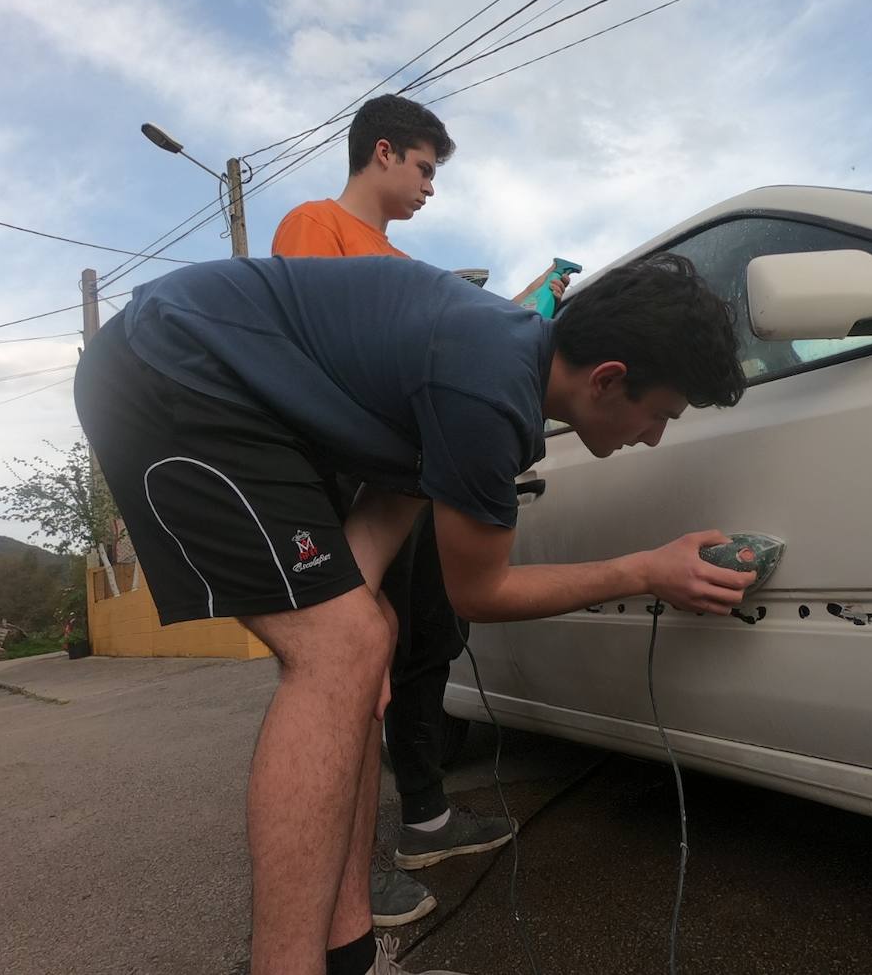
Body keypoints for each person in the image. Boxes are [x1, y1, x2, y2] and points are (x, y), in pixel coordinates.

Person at [74, 251, 755, 975]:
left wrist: (356, 638)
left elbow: (393, 495)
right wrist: (644, 569)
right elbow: (480, 593)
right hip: (170, 369)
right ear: (609, 377)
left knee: (364, 640)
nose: (652, 437)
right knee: (341, 647)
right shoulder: (489, 384)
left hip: (217, 381)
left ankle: (352, 956)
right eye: (660, 416)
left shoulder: (498, 358)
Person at [271, 94, 568, 929]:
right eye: (426, 169)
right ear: (384, 152)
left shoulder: (405, 263)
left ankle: (426, 820)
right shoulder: (314, 223)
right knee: (350, 657)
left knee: (426, 640)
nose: (432, 187)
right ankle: (343, 875)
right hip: (349, 477)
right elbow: (319, 339)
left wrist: (523, 304)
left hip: (411, 470)